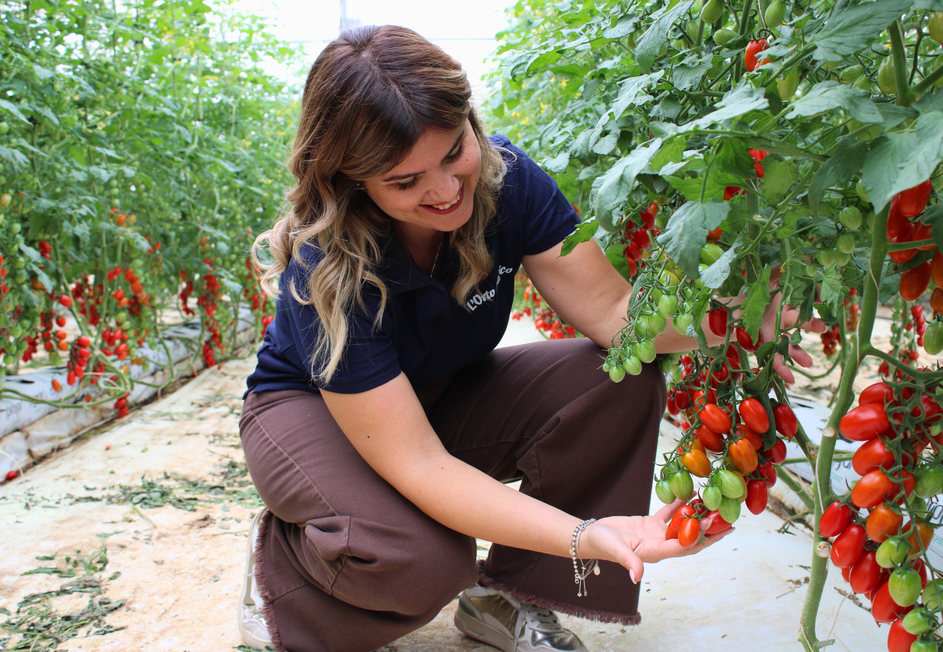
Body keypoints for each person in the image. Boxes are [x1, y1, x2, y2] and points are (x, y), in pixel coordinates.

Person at [237, 24, 820, 652]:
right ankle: (287, 571)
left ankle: (508, 597)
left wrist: (735, 315)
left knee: (616, 380)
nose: (446, 190)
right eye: (406, 182)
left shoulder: (507, 181)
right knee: (424, 562)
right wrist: (581, 536)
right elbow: (420, 463)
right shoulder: (328, 265)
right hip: (312, 415)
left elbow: (615, 313)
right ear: (351, 180)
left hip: (434, 398)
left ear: (469, 122)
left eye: (454, 152)